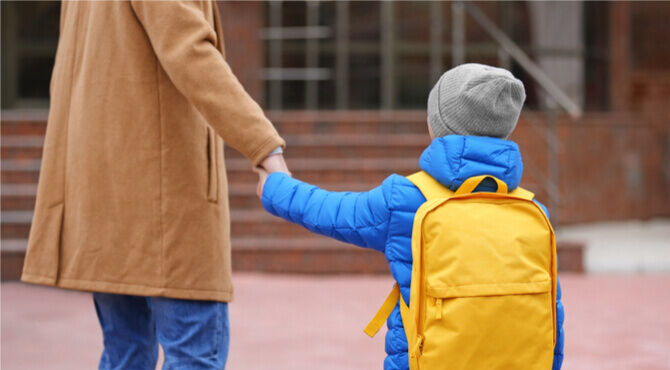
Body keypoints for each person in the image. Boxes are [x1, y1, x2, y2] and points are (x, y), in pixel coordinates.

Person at [21, 1, 287, 369]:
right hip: (164, 199)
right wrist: (264, 148)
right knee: (192, 356)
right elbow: (190, 51)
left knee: (125, 353)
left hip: (106, 192)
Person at [256, 64, 565, 370]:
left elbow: (330, 212)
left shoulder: (407, 198)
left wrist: (275, 185)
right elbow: (552, 314)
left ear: (436, 126)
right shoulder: (533, 209)